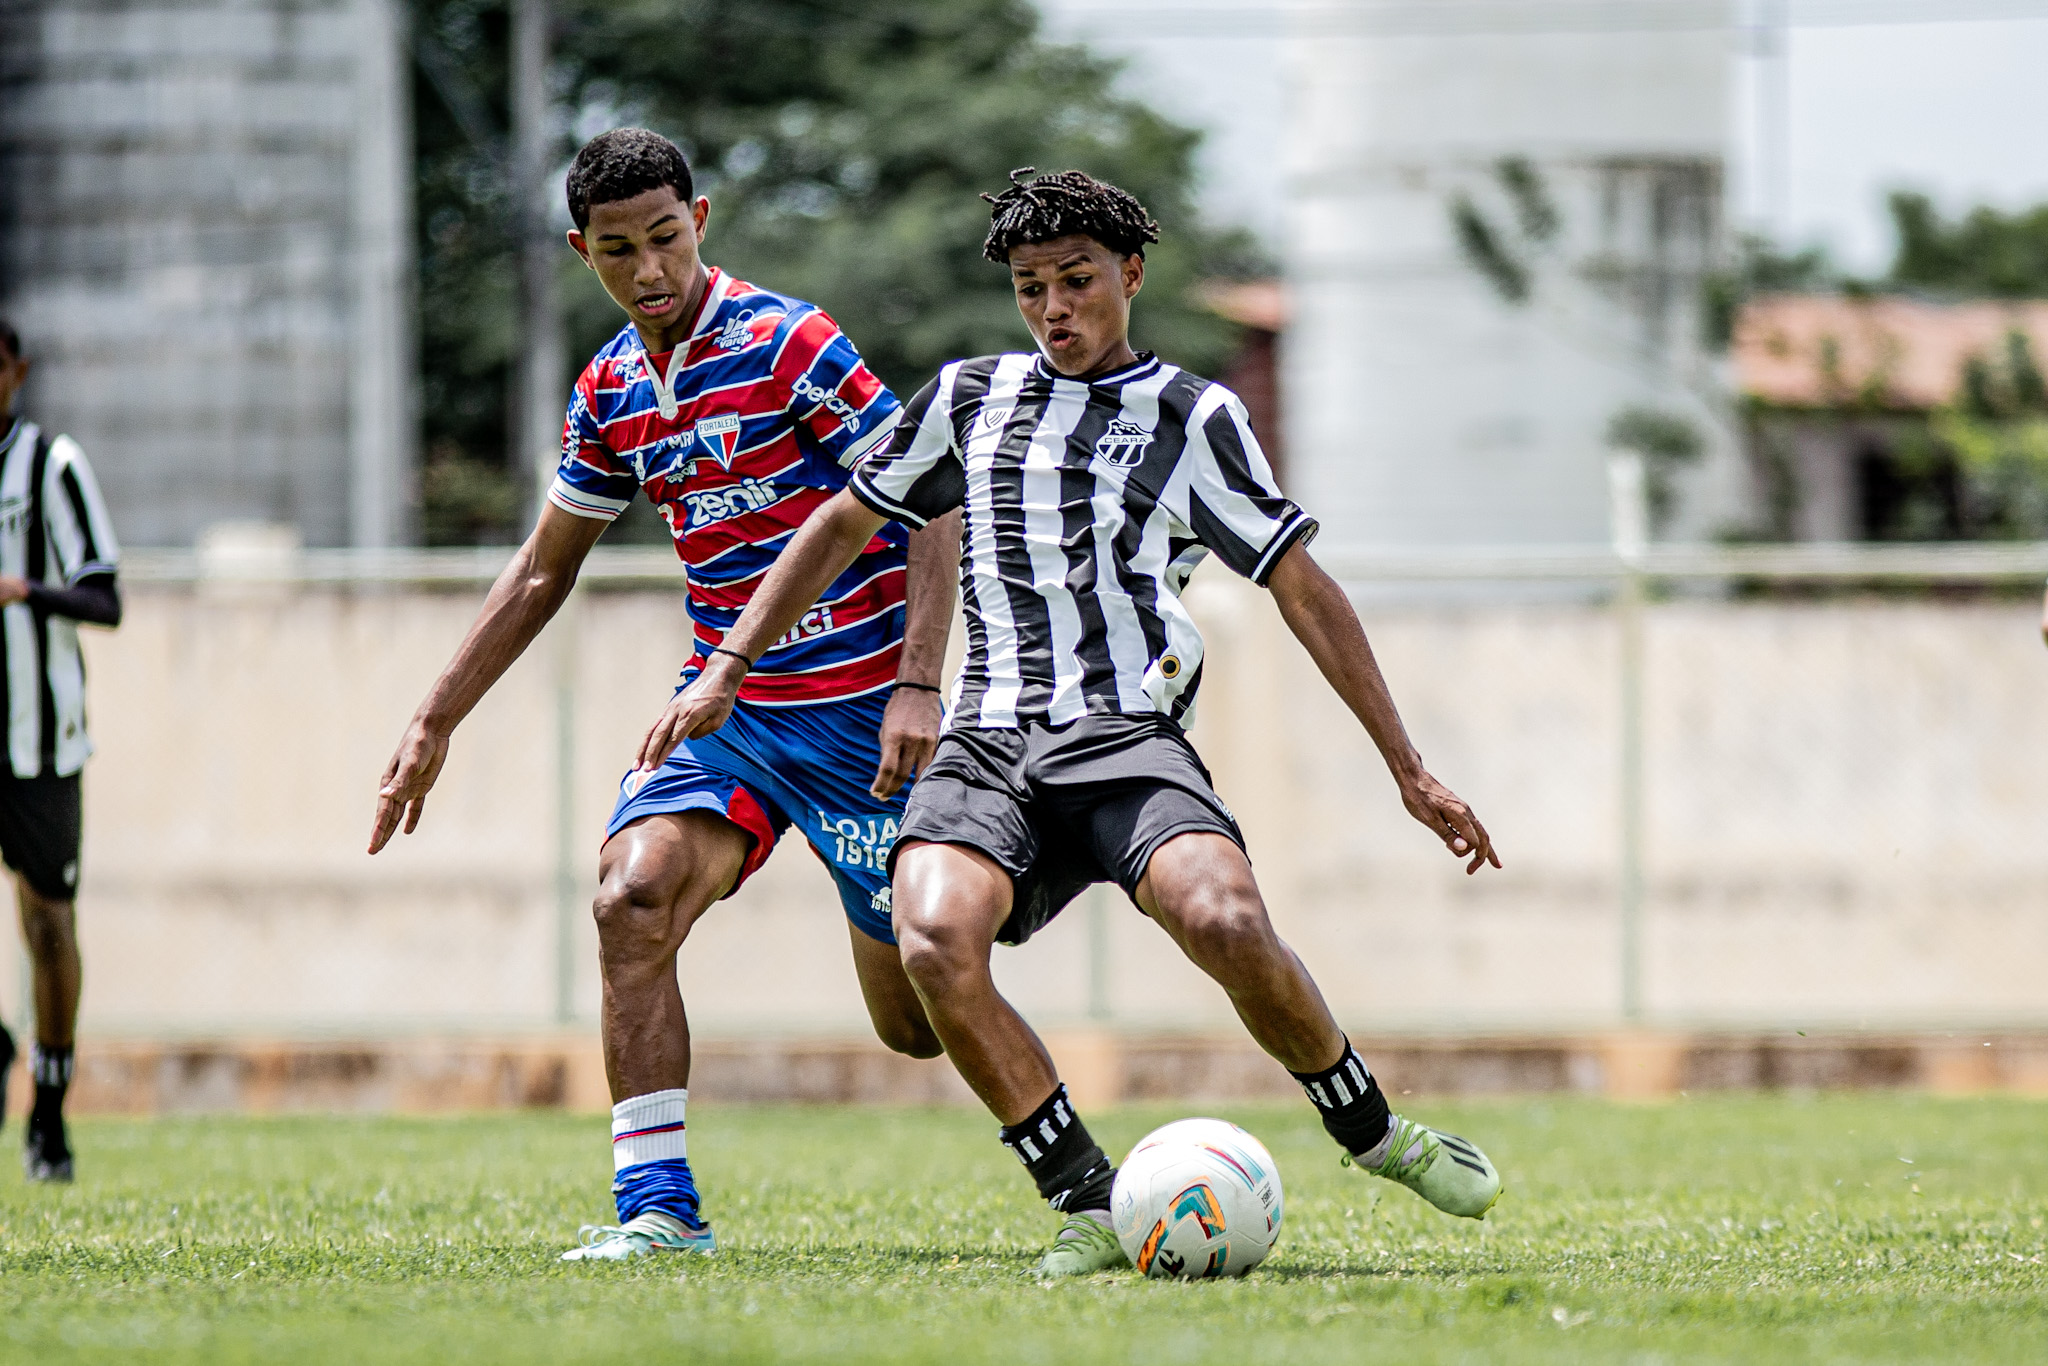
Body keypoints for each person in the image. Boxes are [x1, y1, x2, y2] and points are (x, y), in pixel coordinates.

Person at [636, 168, 1506, 1276]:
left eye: (1077, 280)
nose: (1054, 307)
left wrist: (1407, 767)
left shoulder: (1196, 417)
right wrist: (727, 666)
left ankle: (1375, 1130)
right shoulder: (965, 398)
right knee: (932, 940)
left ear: (1128, 275)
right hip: (986, 745)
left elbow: (1301, 586)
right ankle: (1090, 1201)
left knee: (1225, 919)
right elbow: (841, 521)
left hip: (1123, 740)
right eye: (1031, 286)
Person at [368, 129, 961, 1261]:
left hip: (864, 723)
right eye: (616, 250)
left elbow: (929, 495)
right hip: (726, 717)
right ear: (581, 250)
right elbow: (544, 567)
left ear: (701, 218)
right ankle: (657, 1211)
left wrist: (916, 683)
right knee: (627, 899)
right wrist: (432, 716)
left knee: (915, 1024)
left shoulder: (791, 341)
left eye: (665, 238)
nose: (648, 270)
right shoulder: (606, 390)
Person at [0, 318, 123, 1183]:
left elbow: (104, 598)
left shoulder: (52, 465)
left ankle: (48, 1108)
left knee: (47, 922)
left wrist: (23, 590)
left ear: (17, 372)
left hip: (39, 743)